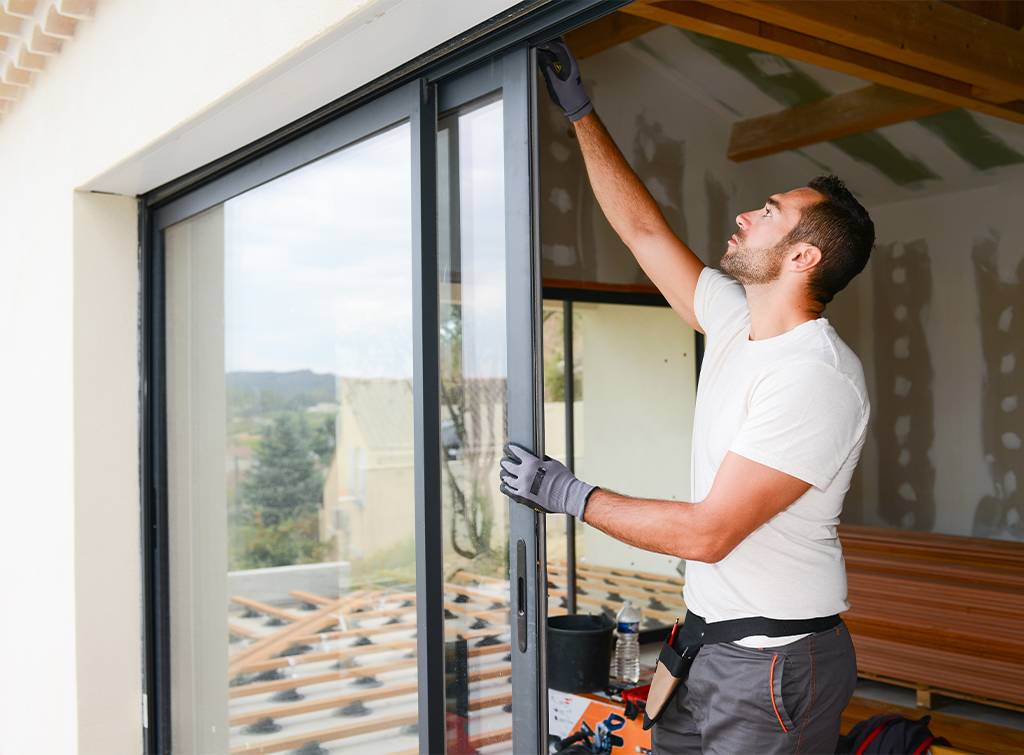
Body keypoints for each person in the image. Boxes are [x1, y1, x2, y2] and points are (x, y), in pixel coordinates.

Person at [498, 38, 875, 754]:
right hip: (704, 645)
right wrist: (580, 114)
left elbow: (709, 533)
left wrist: (569, 494)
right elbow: (643, 232)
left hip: (773, 666)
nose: (746, 215)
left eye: (769, 212)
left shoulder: (815, 375)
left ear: (803, 257)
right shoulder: (735, 319)